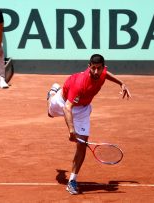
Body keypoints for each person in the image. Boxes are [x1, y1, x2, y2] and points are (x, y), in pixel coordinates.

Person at [46, 54, 131, 195]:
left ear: (103, 67)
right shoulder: (80, 83)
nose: (96, 72)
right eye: (93, 68)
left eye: (99, 68)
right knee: (50, 113)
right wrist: (71, 131)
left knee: (82, 145)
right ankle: (51, 93)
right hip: (63, 101)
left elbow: (106, 75)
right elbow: (67, 108)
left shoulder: (102, 73)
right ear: (89, 67)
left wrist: (121, 83)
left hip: (83, 109)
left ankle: (72, 180)